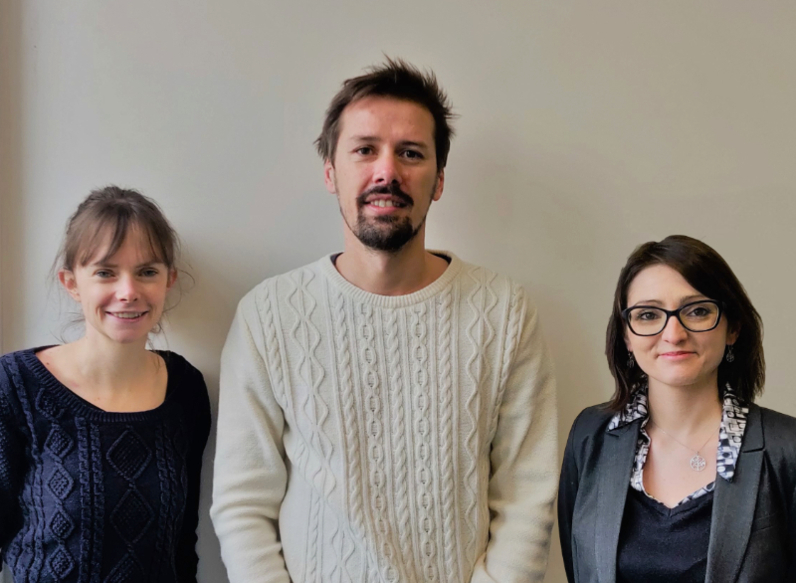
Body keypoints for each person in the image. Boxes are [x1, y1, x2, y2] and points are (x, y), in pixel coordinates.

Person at [211, 58, 558, 582]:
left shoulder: (505, 313)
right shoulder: (269, 316)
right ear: (331, 171)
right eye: (365, 149)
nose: (387, 172)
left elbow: (527, 497)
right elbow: (242, 505)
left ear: (439, 180)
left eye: (411, 153)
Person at [0, 186, 211, 582]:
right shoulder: (16, 385)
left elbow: (183, 542)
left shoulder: (185, 389)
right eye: (105, 272)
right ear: (72, 283)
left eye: (147, 271)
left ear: (169, 281)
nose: (128, 291)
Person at [558, 234, 796, 583]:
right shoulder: (592, 435)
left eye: (697, 311)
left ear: (733, 328)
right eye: (648, 314)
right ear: (626, 335)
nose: (673, 333)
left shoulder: (785, 450)